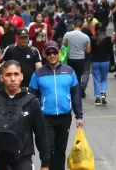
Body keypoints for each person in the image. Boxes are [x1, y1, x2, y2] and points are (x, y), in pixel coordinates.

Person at [0, 60, 50, 170]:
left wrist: (45, 163)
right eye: (8, 75)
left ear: (21, 76)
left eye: (16, 74)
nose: (12, 79)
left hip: (23, 159)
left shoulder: (31, 101)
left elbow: (41, 133)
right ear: (1, 77)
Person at [29, 41, 83, 170]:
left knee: (60, 150)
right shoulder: (38, 74)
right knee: (48, 150)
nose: (52, 55)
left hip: (65, 118)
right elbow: (32, 97)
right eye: (49, 52)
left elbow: (76, 95)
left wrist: (79, 116)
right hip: (45, 118)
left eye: (55, 52)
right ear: (44, 54)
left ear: (59, 53)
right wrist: (32, 118)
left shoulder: (69, 71)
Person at [62, 19, 91, 98]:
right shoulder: (86, 37)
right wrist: (81, 49)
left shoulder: (67, 34)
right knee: (78, 77)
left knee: (69, 76)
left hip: (70, 58)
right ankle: (77, 93)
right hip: (80, 59)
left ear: (73, 26)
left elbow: (63, 46)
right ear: (82, 27)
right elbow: (88, 50)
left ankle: (69, 92)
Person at [90, 23, 114, 106]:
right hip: (105, 61)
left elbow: (91, 52)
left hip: (95, 61)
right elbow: (111, 52)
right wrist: (113, 63)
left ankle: (97, 98)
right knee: (104, 79)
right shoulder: (107, 39)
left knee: (96, 79)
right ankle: (103, 93)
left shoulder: (92, 39)